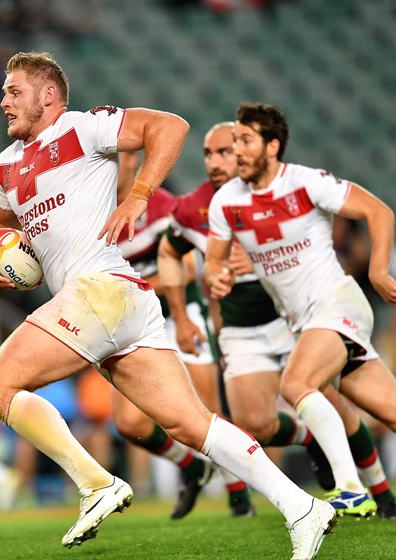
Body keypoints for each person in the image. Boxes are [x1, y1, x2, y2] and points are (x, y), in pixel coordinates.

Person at [0, 52, 335, 558]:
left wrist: (139, 194)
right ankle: (302, 507)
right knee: (191, 424)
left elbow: (170, 126)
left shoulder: (81, 129)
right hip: (120, 300)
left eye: (14, 91)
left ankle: (97, 483)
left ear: (47, 95)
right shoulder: (5, 165)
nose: (3, 101)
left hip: (101, 288)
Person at [205, 103, 396, 519]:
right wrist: (218, 277)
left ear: (272, 146)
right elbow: (215, 261)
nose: (236, 150)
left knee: (297, 383)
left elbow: (378, 211)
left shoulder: (305, 183)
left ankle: (351, 489)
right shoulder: (226, 202)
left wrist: (377, 271)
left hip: (338, 303)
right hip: (306, 322)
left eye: (245, 140)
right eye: (234, 142)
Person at [162, 122, 396, 519]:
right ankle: (308, 438)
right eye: (209, 154)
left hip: (290, 318)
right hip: (241, 328)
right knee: (253, 422)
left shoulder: (271, 193)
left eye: (226, 151)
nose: (217, 161)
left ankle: (383, 492)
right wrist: (182, 313)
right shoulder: (192, 208)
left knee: (335, 405)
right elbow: (170, 252)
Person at [113, 150, 252, 519]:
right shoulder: (91, 210)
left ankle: (240, 496)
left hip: (180, 314)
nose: (112, 166)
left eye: (121, 158)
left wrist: (136, 289)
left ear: (135, 165)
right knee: (130, 424)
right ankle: (192, 467)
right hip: (135, 325)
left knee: (208, 410)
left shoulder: (162, 207)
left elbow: (189, 268)